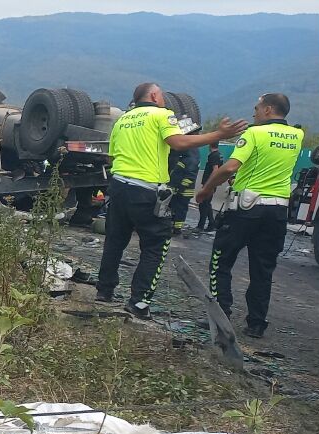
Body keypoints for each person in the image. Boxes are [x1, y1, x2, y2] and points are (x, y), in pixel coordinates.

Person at [96, 82, 247, 319]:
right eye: (162, 95)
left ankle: (104, 291)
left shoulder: (123, 120)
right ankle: (139, 302)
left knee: (115, 240)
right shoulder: (162, 114)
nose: (165, 99)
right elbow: (179, 142)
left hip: (118, 187)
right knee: (156, 244)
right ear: (154, 96)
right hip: (145, 190)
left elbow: (113, 154)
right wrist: (219, 135)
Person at [194, 93, 303, 338]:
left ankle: (220, 315)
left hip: (246, 209)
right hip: (277, 212)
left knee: (220, 260)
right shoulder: (297, 136)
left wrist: (206, 189)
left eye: (257, 108)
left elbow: (231, 166)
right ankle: (256, 323)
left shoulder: (254, 133)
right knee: (262, 269)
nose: (254, 113)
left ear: (268, 109)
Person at [168, 145, 201, 236]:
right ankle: (174, 225)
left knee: (180, 210)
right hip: (179, 190)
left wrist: (180, 188)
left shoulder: (190, 161)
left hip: (183, 192)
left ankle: (177, 229)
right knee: (176, 209)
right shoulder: (186, 159)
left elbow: (190, 177)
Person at [195, 143, 224, 232]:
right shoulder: (219, 155)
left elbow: (215, 170)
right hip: (213, 183)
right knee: (206, 203)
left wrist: (208, 184)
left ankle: (201, 226)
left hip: (210, 184)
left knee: (203, 204)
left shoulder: (213, 155)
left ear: (209, 145)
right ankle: (212, 224)